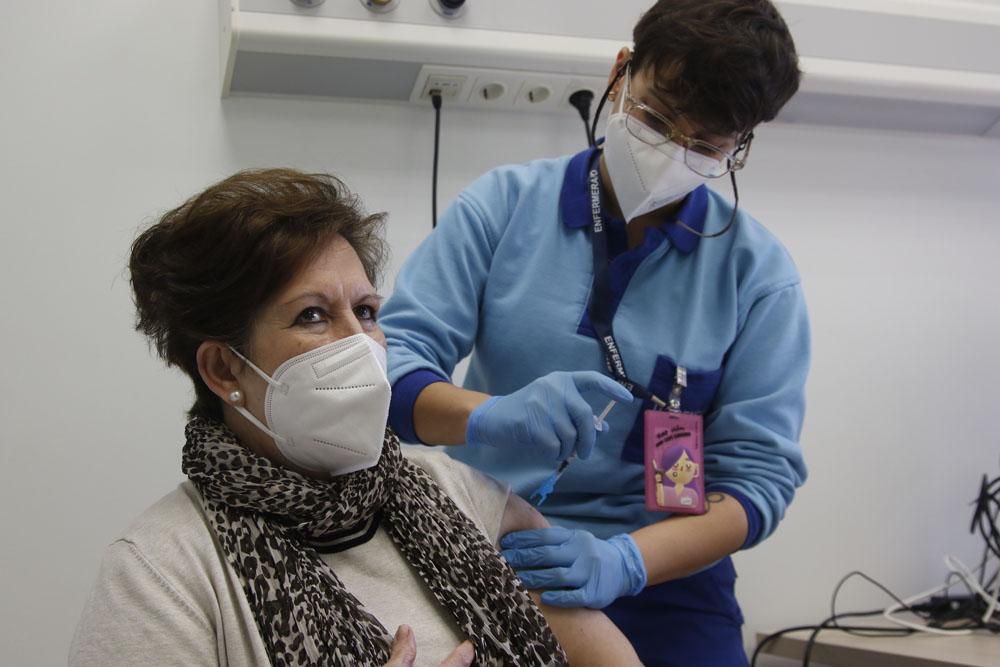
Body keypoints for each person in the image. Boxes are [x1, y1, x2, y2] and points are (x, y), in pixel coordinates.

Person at [378, 1, 810, 664]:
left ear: (739, 143)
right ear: (620, 73)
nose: (670, 154)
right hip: (493, 543)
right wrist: (488, 415)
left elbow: (756, 480)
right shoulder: (504, 207)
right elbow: (394, 368)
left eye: (704, 146)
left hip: (667, 571)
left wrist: (624, 561)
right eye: (657, 119)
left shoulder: (756, 275)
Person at [69, 169, 641, 667]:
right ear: (223, 370)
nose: (361, 344)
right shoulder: (163, 574)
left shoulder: (460, 493)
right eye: (313, 316)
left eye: (366, 311)